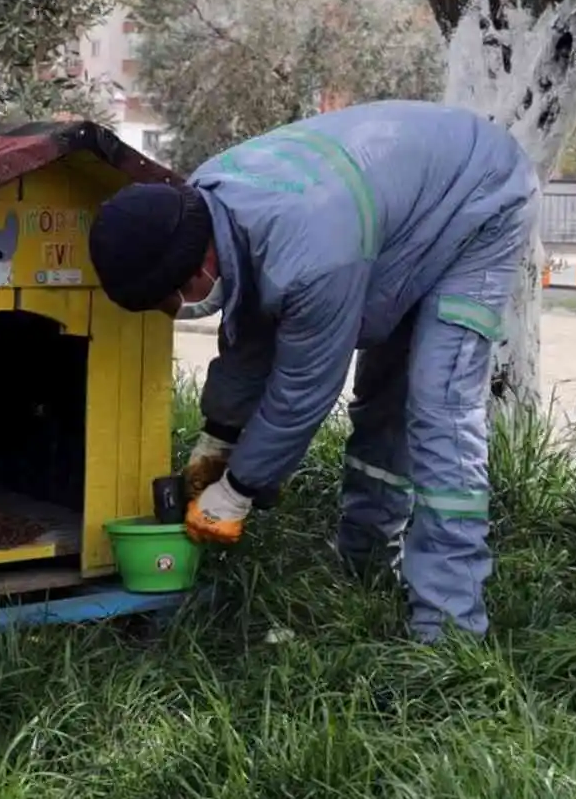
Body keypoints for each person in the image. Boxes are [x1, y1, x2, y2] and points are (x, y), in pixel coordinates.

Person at [86, 101, 539, 641]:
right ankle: (363, 566)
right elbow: (248, 337)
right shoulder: (208, 199)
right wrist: (218, 439)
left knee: (438, 404)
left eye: (167, 300)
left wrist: (239, 489)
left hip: (479, 198)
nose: (172, 312)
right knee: (383, 398)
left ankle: (450, 629)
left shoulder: (310, 259)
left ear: (196, 266)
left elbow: (303, 393)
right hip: (397, 218)